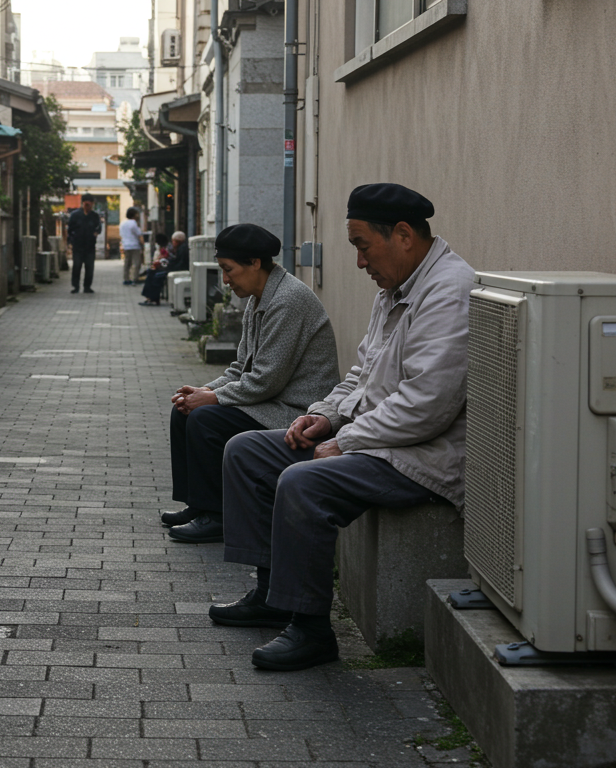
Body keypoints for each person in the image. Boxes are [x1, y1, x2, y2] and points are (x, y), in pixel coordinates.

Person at [210, 183, 474, 671]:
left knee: (303, 482)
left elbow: (428, 406)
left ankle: (311, 629)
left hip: (423, 453)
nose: (359, 262)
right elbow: (361, 373)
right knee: (247, 450)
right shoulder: (396, 285)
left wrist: (344, 440)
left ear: (402, 235)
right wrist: (325, 415)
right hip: (376, 438)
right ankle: (271, 593)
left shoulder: (448, 291)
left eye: (361, 246)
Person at [164, 223, 340, 544]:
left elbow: (265, 381)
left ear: (255, 263)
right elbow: (239, 369)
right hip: (270, 399)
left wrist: (212, 400)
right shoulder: (259, 297)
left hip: (296, 410)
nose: (226, 279)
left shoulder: (288, 300)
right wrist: (204, 391)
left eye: (228, 270)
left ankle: (217, 516)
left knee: (206, 419)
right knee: (186, 410)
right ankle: (199, 504)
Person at [139, 230, 188, 305]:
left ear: (178, 241)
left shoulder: (182, 249)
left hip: (176, 270)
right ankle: (149, 297)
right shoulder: (179, 248)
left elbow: (179, 264)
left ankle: (153, 298)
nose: (172, 243)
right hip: (172, 268)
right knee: (151, 272)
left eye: (174, 241)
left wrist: (166, 267)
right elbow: (174, 261)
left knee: (156, 276)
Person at [68, 194, 104, 293]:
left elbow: (99, 227)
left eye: (90, 204)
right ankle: (75, 286)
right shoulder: (75, 215)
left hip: (90, 245)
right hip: (77, 245)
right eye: (86, 203)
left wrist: (96, 233)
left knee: (89, 267)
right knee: (77, 266)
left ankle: (87, 286)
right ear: (82, 203)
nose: (88, 206)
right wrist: (70, 242)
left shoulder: (94, 216)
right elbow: (70, 229)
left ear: (92, 204)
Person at [120, 207, 144, 285]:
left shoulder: (122, 224)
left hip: (126, 245)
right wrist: (142, 245)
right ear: (134, 215)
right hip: (134, 245)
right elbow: (139, 235)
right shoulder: (134, 223)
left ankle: (126, 279)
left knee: (127, 263)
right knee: (136, 263)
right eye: (136, 214)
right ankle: (134, 278)